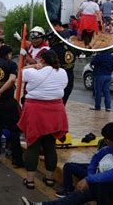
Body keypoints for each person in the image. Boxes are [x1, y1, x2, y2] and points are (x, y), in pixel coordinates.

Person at [21, 122, 113, 205]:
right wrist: (90, 176)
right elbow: (95, 159)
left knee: (100, 185)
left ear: (109, 140)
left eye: (105, 139)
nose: (104, 141)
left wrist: (89, 180)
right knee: (80, 195)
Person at [17, 50, 69, 190]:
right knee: (50, 145)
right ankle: (50, 178)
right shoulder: (63, 73)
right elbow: (63, 86)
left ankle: (30, 180)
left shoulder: (34, 72)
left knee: (33, 145)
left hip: (36, 110)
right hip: (56, 110)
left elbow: (22, 70)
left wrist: (35, 66)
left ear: (42, 61)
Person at [46, 30, 76, 105]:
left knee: (53, 105)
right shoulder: (71, 47)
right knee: (62, 104)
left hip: (57, 79)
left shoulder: (53, 50)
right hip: (69, 78)